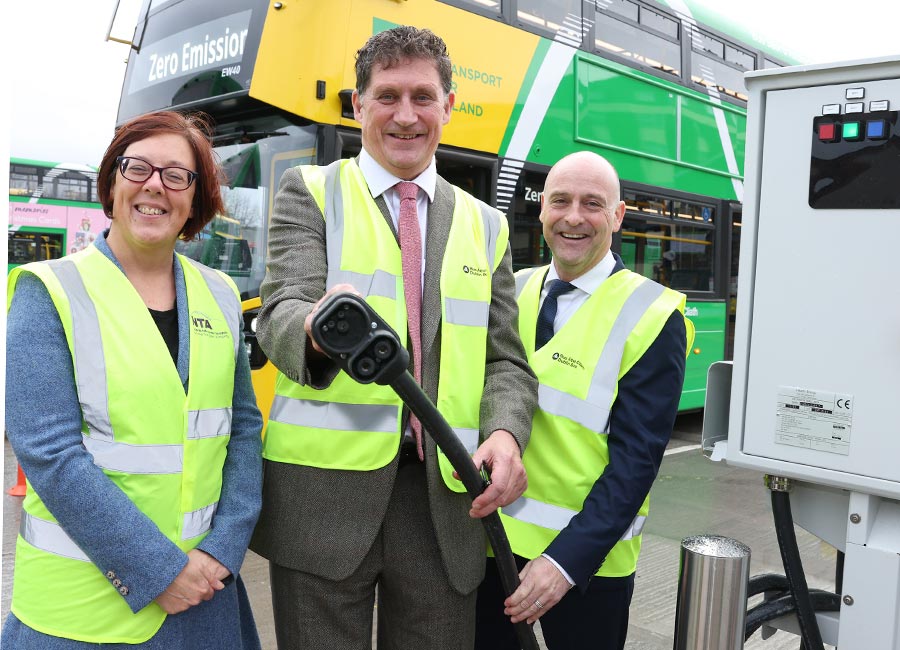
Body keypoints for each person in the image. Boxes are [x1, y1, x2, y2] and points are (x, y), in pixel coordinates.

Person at [250, 25, 537, 650]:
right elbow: (278, 317)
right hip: (321, 503)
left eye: (423, 96)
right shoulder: (311, 192)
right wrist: (319, 332)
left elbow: (507, 361)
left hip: (445, 500)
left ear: (449, 107)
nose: (405, 116)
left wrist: (508, 434)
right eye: (387, 96)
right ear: (359, 106)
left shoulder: (487, 226)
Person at [3, 110, 263, 649]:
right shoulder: (47, 289)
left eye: (176, 175)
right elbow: (48, 451)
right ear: (112, 180)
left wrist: (224, 550)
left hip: (204, 599)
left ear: (196, 199)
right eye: (137, 167)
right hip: (81, 616)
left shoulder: (219, 292)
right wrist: (159, 570)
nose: (154, 186)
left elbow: (241, 427)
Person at [475, 151, 694, 650]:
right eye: (561, 201)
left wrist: (564, 562)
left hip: (588, 567)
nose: (574, 217)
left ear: (617, 217)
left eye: (592, 204)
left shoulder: (654, 315)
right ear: (542, 210)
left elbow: (636, 463)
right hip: (491, 548)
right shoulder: (514, 289)